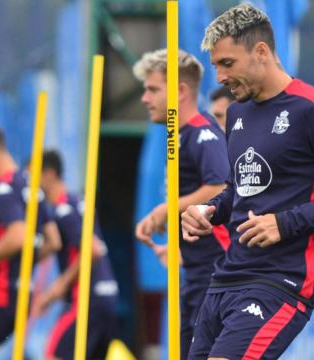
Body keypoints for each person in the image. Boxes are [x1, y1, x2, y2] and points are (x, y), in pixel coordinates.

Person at [180, 5, 314, 359]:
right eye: (215, 66)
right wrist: (207, 211)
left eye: (227, 63)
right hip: (225, 278)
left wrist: (285, 223)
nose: (220, 77)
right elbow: (237, 192)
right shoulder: (237, 114)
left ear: (261, 51)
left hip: (279, 283)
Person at [132, 48, 231, 359]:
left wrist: (166, 208)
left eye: (152, 89)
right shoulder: (180, 136)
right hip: (196, 269)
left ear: (181, 91)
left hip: (216, 272)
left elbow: (220, 186)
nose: (145, 99)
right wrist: (173, 243)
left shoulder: (203, 133)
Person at [0, 123, 61, 360]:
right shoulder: (29, 185)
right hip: (20, 294)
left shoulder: (5, 187)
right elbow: (53, 241)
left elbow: (19, 236)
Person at [31, 149, 119, 360]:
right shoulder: (78, 202)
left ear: (48, 174)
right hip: (107, 298)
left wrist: (58, 286)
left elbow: (93, 249)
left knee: (53, 354)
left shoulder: (63, 210)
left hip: (86, 301)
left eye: (33, 176)